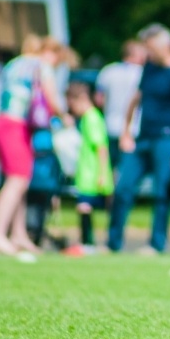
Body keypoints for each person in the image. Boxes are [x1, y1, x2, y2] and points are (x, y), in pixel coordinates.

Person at [107, 23, 170, 255]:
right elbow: (135, 99)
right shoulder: (149, 68)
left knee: (161, 193)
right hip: (142, 139)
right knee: (123, 187)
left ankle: (157, 244)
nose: (147, 52)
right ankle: (112, 243)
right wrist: (126, 132)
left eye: (150, 47)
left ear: (165, 46)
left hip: (167, 141)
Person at [0, 35, 69, 256]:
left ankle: (19, 235)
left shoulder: (13, 64)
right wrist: (65, 117)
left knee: (18, 181)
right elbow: (52, 99)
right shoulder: (41, 66)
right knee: (18, 180)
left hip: (1, 122)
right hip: (16, 125)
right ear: (52, 53)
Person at [66, 82, 114, 247]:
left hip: (92, 174)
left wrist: (101, 174)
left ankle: (88, 243)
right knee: (85, 206)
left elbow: (101, 148)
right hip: (86, 173)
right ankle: (88, 242)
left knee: (84, 206)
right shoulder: (87, 118)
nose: (72, 109)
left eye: (72, 104)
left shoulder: (92, 118)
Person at [94, 40, 147, 170]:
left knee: (109, 168)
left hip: (110, 126)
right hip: (134, 129)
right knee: (128, 170)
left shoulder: (108, 71)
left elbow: (99, 100)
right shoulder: (142, 74)